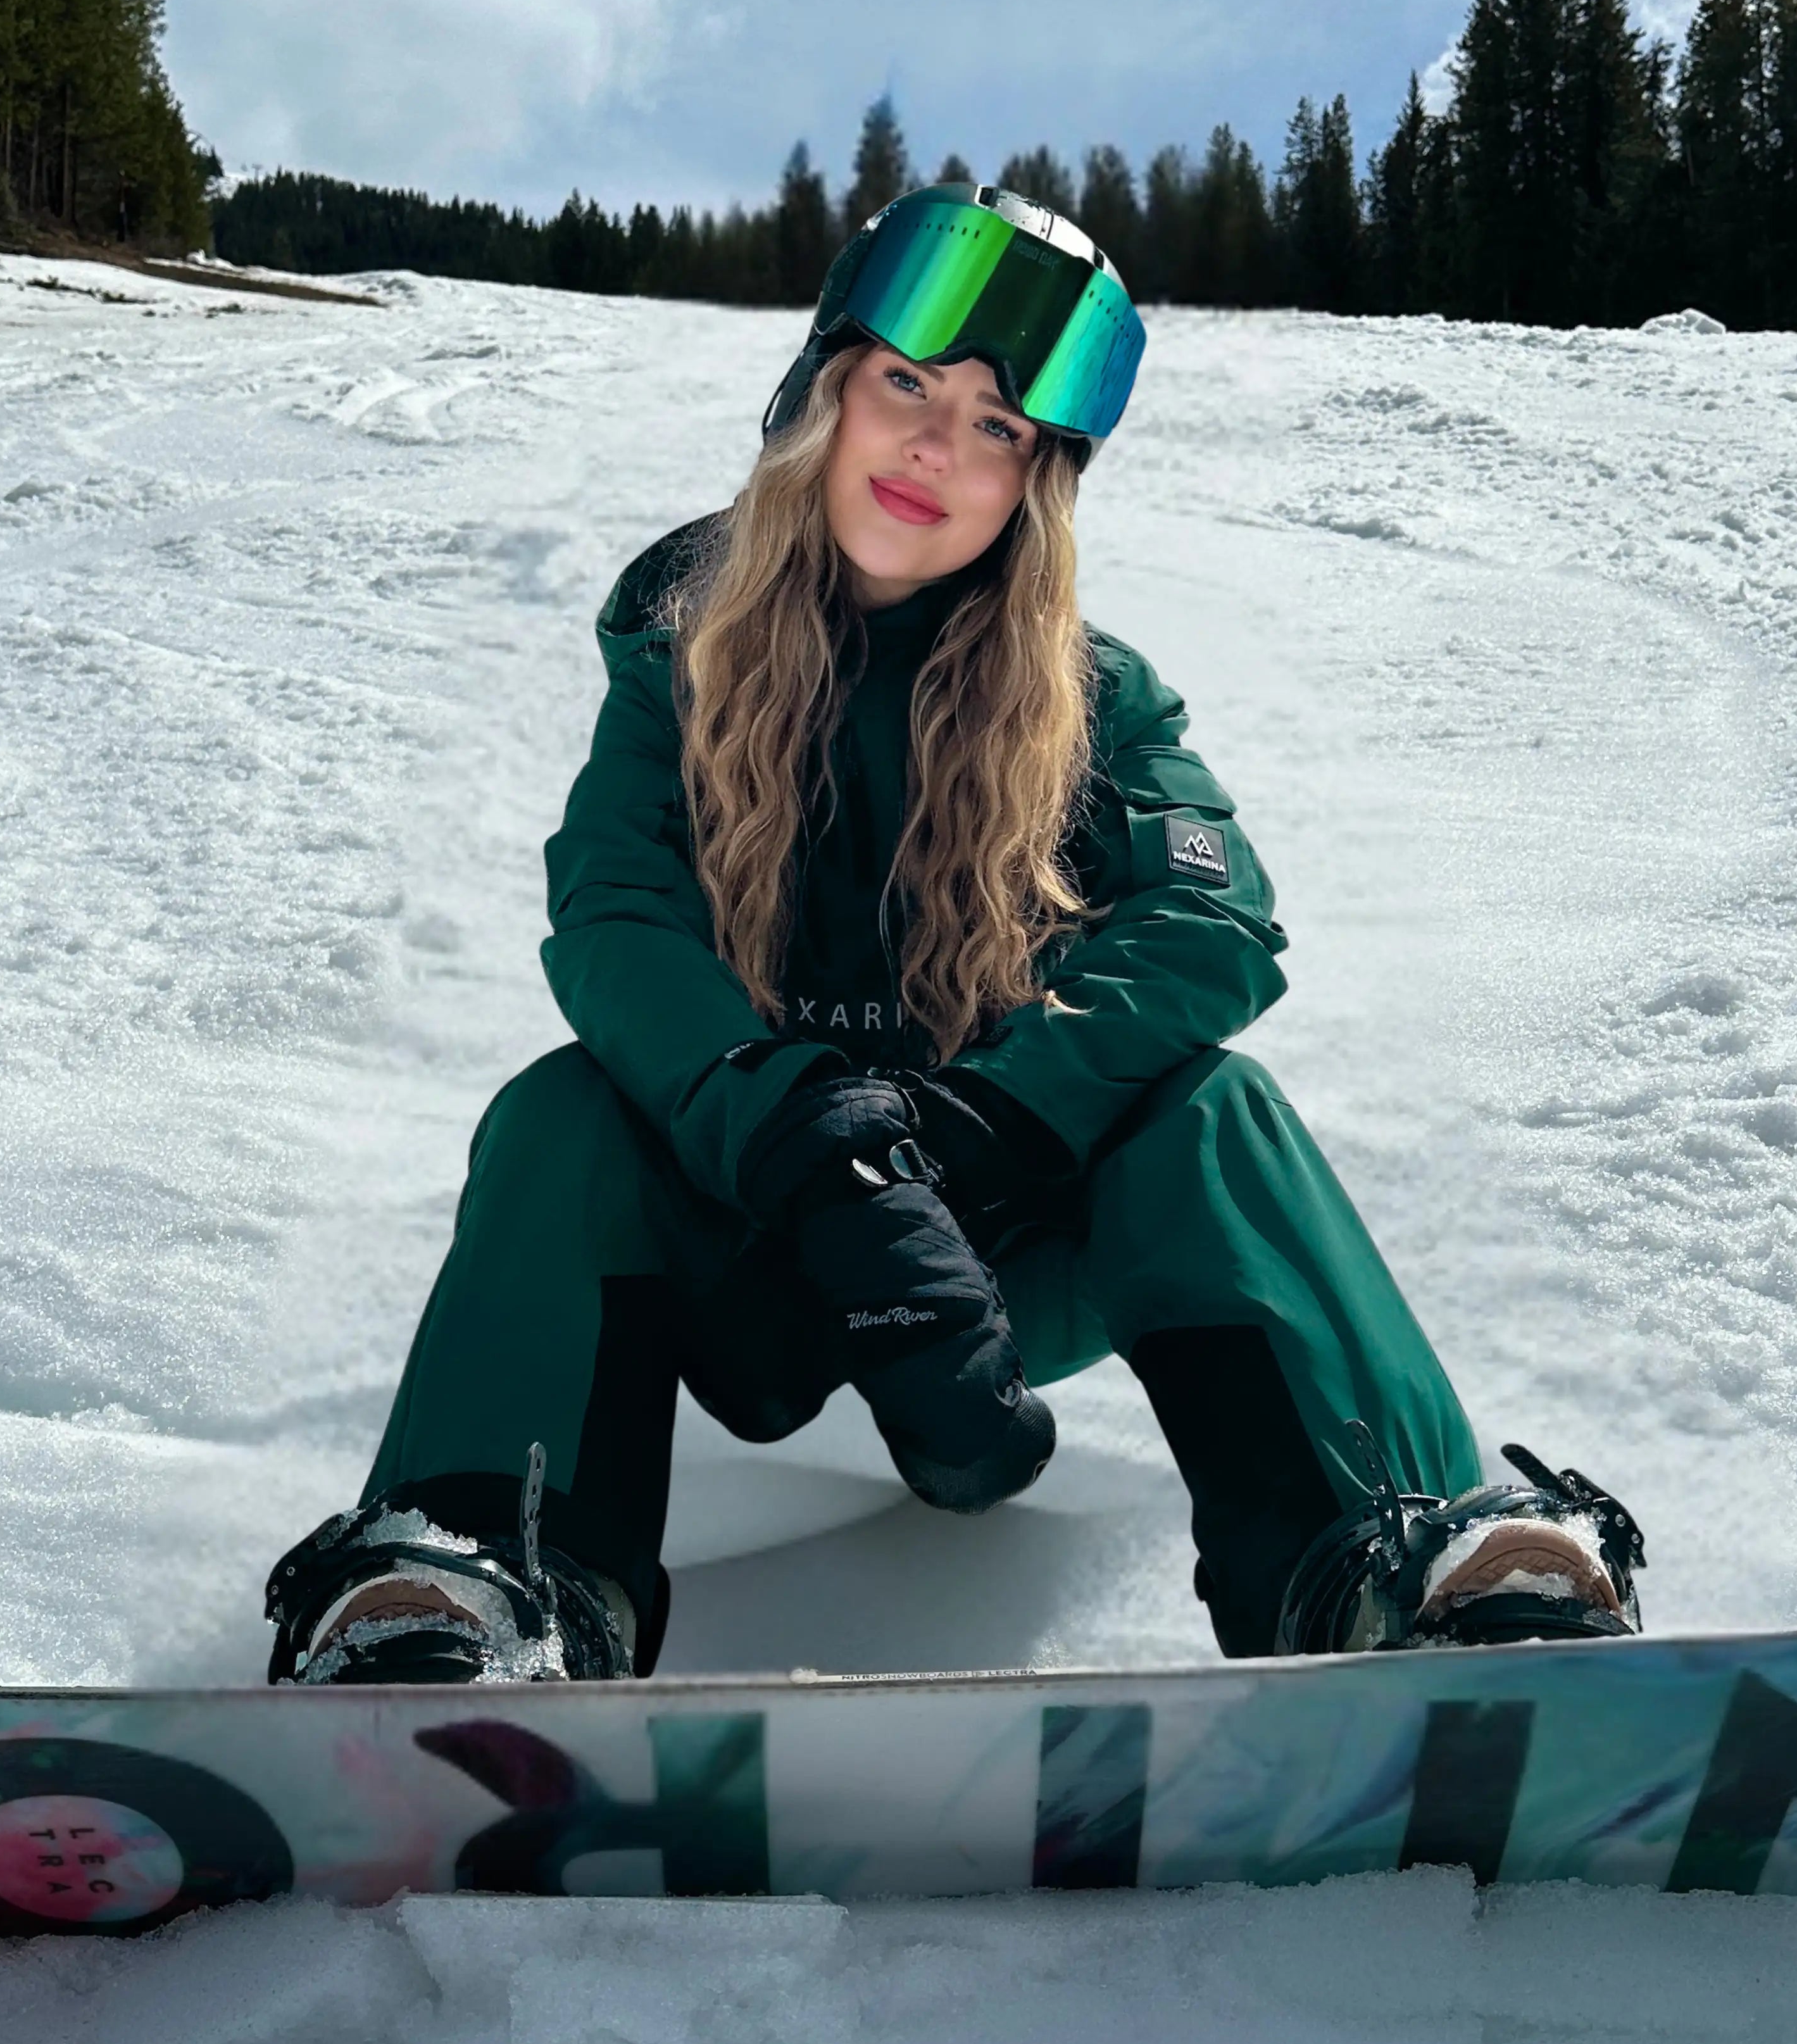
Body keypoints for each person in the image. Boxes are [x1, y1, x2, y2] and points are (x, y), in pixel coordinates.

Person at [265, 186, 1644, 1686]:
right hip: (747, 1225)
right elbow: (617, 913)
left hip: (997, 1239)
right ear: (822, 398)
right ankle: (487, 1578)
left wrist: (975, 1122)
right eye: (907, 386)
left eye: (997, 428)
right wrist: (799, 1132)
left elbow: (1210, 917)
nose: (936, 446)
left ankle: (1394, 1558)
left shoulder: (1095, 694)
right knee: (559, 1117)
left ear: (1035, 485)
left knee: (1215, 1116)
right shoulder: (681, 656)